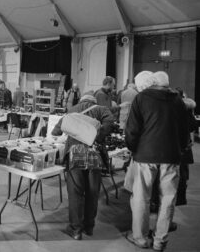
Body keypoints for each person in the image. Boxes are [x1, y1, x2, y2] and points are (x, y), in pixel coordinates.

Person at [125, 71, 188, 251]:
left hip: (145, 156)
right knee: (168, 199)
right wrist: (180, 149)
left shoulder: (141, 98)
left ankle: (141, 238)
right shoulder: (178, 100)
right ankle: (160, 241)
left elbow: (132, 130)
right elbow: (185, 132)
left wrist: (133, 148)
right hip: (171, 156)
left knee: (140, 199)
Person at [52, 91, 114, 240]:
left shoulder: (72, 110)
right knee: (93, 193)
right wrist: (94, 137)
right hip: (94, 154)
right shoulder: (102, 110)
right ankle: (89, 227)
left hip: (75, 154)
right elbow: (110, 124)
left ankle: (75, 229)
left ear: (81, 100)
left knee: (76, 193)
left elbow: (56, 131)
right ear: (94, 101)